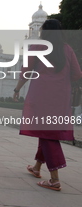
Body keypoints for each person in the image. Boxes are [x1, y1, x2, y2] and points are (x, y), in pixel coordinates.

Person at [13, 19, 82, 191]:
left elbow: (26, 72)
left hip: (41, 95)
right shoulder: (67, 49)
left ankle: (54, 179)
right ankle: (37, 167)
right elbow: (77, 74)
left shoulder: (37, 47)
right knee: (47, 131)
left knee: (46, 133)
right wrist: (61, 81)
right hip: (61, 97)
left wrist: (16, 90)